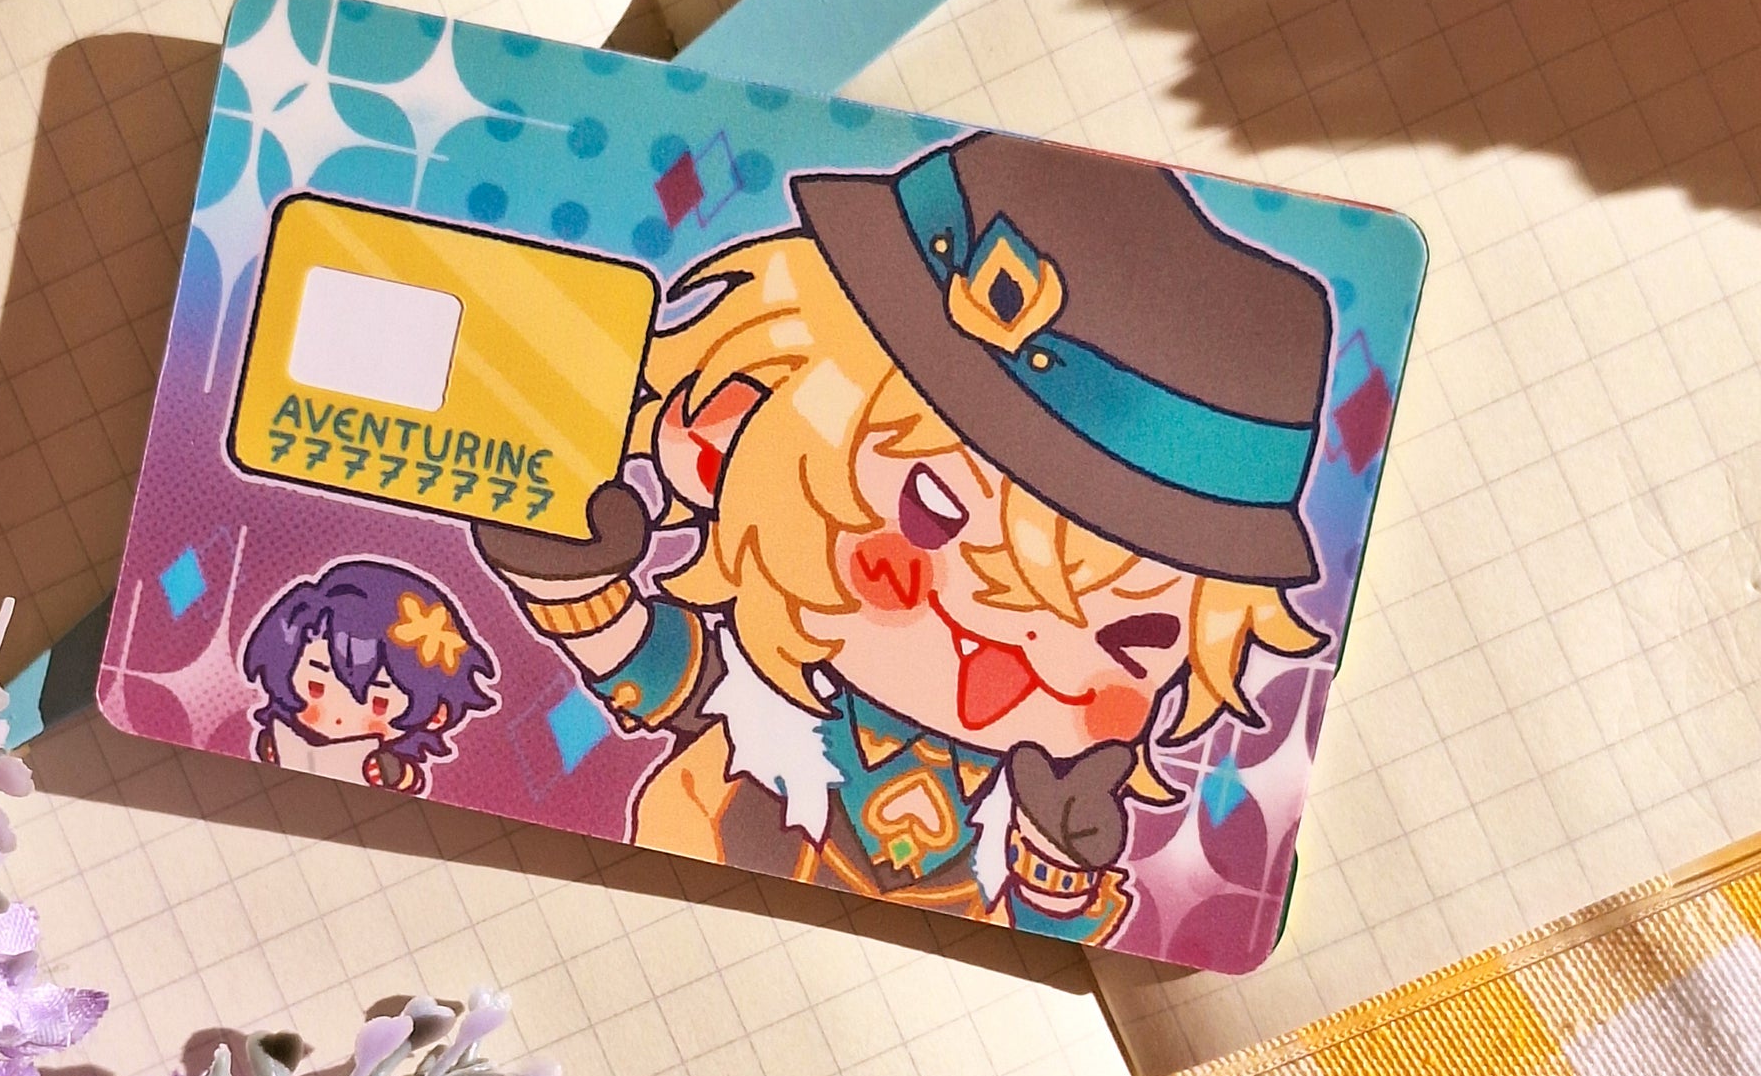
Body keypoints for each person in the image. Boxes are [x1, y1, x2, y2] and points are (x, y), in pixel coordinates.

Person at [478, 131, 1329, 940]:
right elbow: (671, 673)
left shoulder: (1027, 795)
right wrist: (574, 586)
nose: (1014, 640)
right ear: (732, 427)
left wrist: (1060, 857)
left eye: (1128, 638)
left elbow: (1053, 922)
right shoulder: (771, 702)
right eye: (932, 511)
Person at [243, 559, 496, 793]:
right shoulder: (276, 738)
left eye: (379, 704)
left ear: (436, 716)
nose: (339, 716)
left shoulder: (385, 767)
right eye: (316, 687)